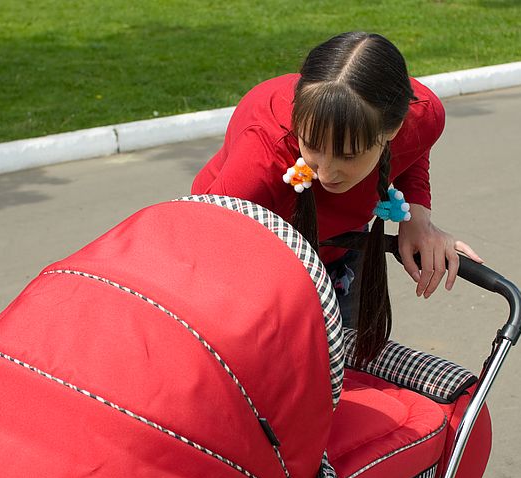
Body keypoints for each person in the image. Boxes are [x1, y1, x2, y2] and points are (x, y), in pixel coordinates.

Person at [191, 31, 481, 367]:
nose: (326, 173)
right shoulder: (263, 153)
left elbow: (415, 153)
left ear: (394, 129)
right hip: (245, 255)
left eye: (348, 155)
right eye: (312, 146)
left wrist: (418, 220)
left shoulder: (424, 115)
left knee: (337, 368)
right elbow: (203, 247)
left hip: (336, 249)